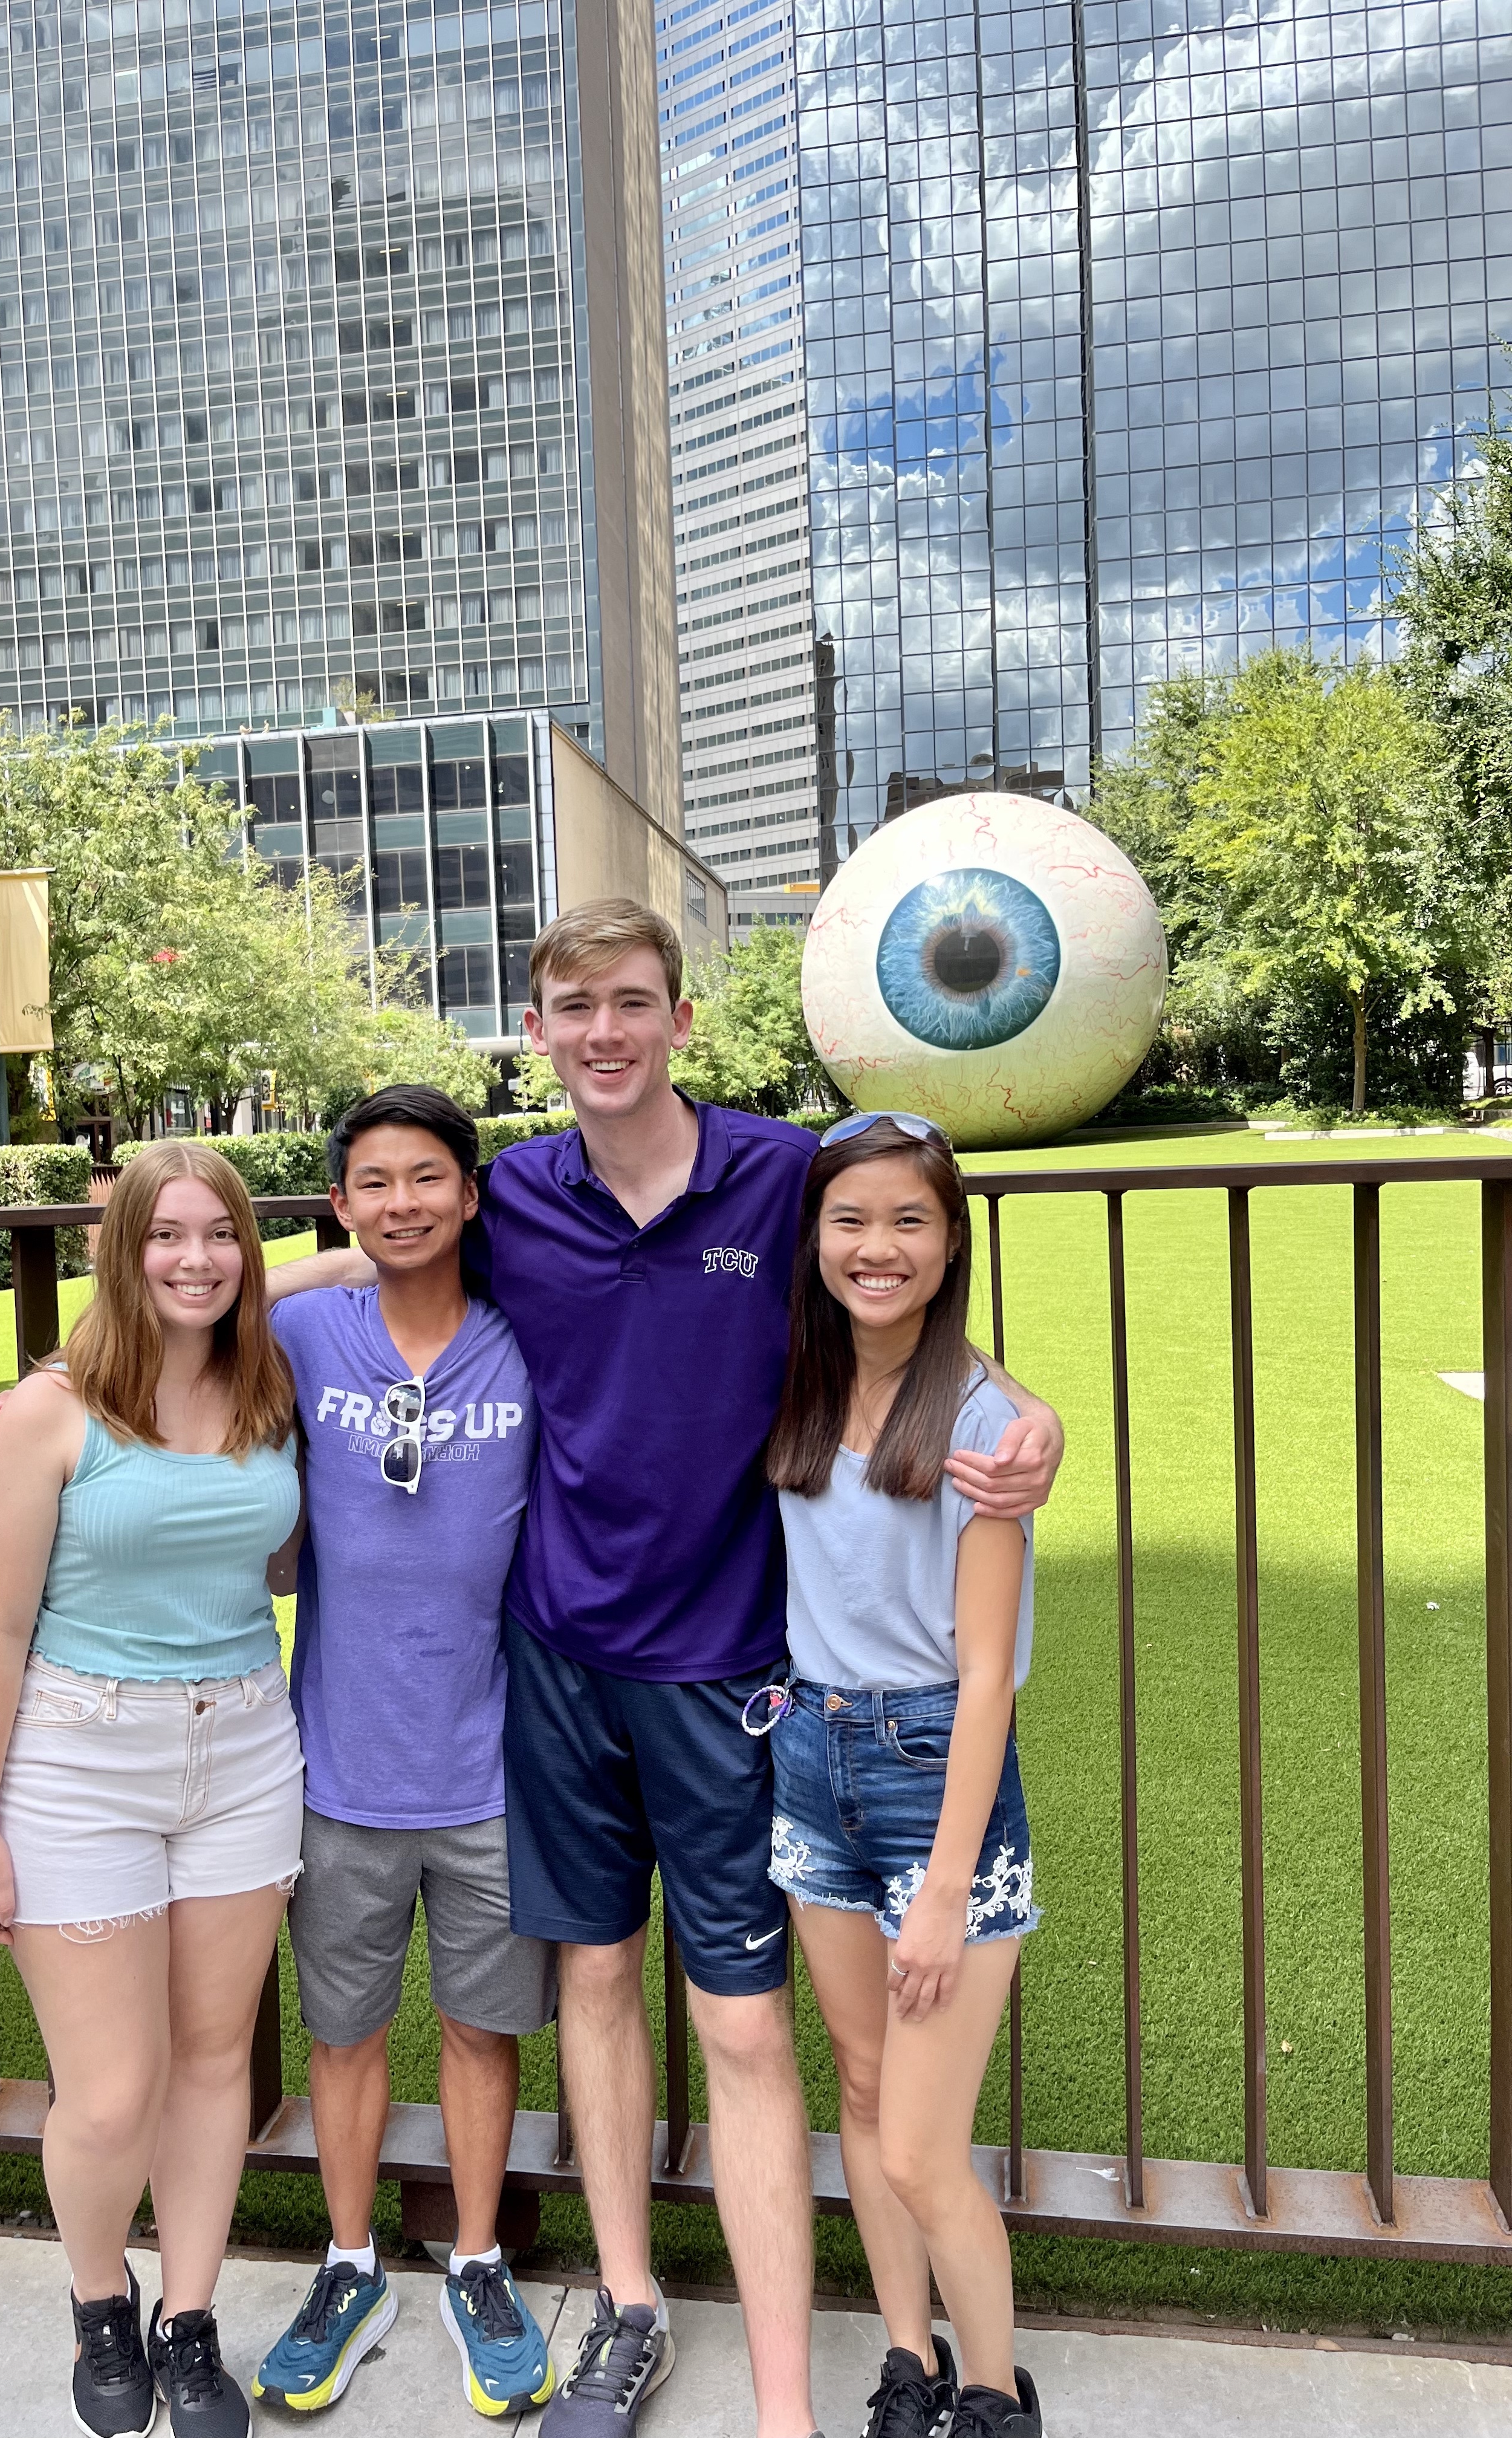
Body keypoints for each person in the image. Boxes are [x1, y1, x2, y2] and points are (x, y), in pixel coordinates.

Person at [264, 900, 1064, 2438]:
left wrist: (1028, 1414)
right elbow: (356, 1254)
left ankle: (784, 2405)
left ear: (680, 1020)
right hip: (557, 1661)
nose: (605, 1033)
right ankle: (630, 2308)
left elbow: (907, 1295)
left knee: (750, 2025)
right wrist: (72, 1356)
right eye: (574, 1009)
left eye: (632, 1003)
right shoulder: (516, 1195)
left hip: (730, 1669)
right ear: (539, 1032)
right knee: (595, 1978)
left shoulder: (784, 1178)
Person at [0, 1139, 304, 2438]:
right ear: (120, 1249)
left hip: (246, 1753)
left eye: (222, 1235)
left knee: (215, 2064)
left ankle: (191, 2317)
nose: (196, 1259)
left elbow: (353, 1261)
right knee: (112, 2089)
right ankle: (102, 2300)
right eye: (166, 1235)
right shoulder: (50, 1414)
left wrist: (329, 1253)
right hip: (78, 1761)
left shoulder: (270, 1381)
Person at [250, 1086, 557, 2421]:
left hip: (495, 1764)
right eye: (372, 1183)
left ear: (471, 1195)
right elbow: (159, 1321)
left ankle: (478, 2260)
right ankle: (351, 2261)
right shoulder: (302, 1326)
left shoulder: (527, 1332)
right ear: (340, 1204)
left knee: (483, 2029)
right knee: (345, 2030)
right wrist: (28, 1398)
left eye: (427, 1178)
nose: (402, 1205)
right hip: (343, 1764)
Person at [762, 1113, 1043, 2438]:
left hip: (940, 1779)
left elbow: (987, 1676)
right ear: (815, 1237)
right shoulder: (803, 1382)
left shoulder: (986, 1424)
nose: (878, 1247)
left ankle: (993, 2390)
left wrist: (944, 1890)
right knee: (866, 2097)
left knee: (926, 2142)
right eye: (851, 1220)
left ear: (950, 1245)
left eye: (909, 1222)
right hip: (812, 1765)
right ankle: (907, 2356)